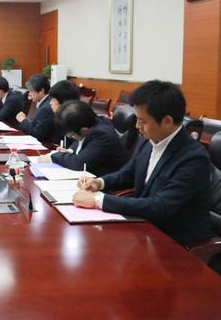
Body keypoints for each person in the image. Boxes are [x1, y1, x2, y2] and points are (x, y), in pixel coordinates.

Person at [73, 80, 213, 245]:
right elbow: (128, 173)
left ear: (167, 121)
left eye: (143, 120)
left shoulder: (194, 159)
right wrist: (99, 182)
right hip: (144, 228)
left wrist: (98, 200)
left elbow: (160, 206)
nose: (137, 126)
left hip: (176, 242)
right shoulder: (149, 141)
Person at [38, 100, 128, 176]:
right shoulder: (90, 122)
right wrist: (69, 151)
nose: (70, 137)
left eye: (71, 134)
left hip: (105, 184)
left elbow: (79, 163)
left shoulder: (103, 135)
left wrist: (53, 157)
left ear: (84, 130)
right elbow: (79, 142)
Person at [15, 74, 56, 142]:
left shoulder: (46, 108)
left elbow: (37, 134)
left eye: (31, 91)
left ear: (41, 91)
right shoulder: (45, 102)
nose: (29, 94)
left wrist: (23, 120)